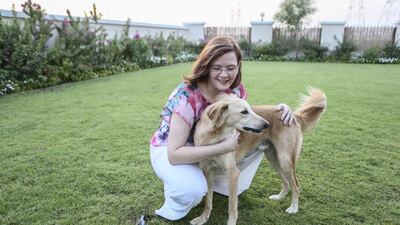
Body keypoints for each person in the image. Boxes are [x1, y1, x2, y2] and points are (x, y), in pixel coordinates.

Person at [149, 36, 295, 221]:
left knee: (256, 142)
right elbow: (174, 154)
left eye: (231, 68)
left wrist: (278, 109)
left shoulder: (234, 90)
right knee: (192, 190)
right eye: (217, 68)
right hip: (173, 151)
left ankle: (216, 183)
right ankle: (177, 186)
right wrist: (222, 148)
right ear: (206, 66)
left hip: (209, 145)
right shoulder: (186, 96)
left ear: (238, 66)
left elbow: (243, 114)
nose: (225, 74)